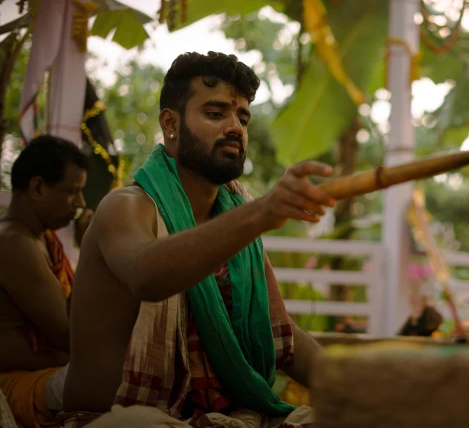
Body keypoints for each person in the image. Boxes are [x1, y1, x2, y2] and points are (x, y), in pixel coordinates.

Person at [63, 52, 335, 427]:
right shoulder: (126, 208)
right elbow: (147, 275)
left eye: (242, 117)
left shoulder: (237, 215)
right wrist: (260, 214)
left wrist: (357, 388)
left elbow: (281, 338)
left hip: (228, 419)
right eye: (215, 113)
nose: (235, 127)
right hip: (121, 420)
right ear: (171, 124)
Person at [0, 135, 92, 427]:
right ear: (38, 188)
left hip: (49, 370)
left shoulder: (43, 238)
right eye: (73, 192)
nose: (81, 203)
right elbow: (70, 333)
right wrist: (91, 249)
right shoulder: (12, 242)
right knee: (114, 375)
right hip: (18, 384)